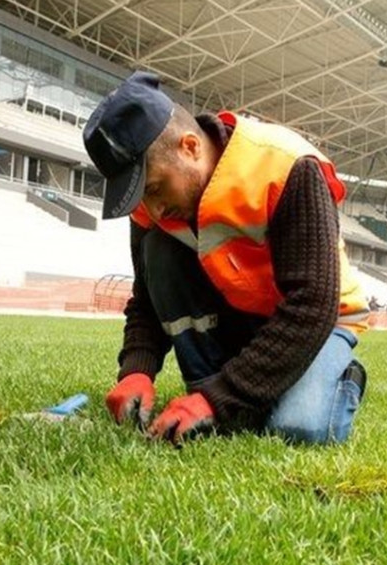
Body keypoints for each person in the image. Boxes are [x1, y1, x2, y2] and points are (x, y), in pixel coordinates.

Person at [83, 71, 368, 446]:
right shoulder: (151, 208)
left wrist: (217, 399)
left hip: (318, 321)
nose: (152, 209)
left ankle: (342, 374)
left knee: (299, 428)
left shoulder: (287, 167)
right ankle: (225, 386)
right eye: (140, 198)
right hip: (240, 313)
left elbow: (313, 303)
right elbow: (147, 299)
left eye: (153, 188)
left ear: (190, 147)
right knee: (160, 249)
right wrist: (136, 370)